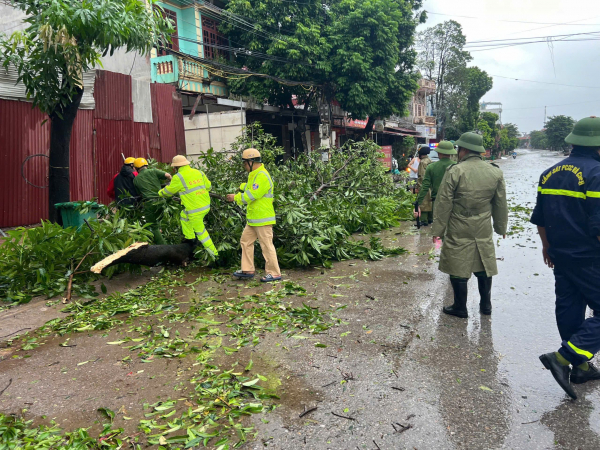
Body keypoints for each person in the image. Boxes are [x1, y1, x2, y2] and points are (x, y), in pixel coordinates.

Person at [530, 116, 600, 400]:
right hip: (590, 258)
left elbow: (541, 218)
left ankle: (581, 367)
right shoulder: (596, 173)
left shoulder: (549, 173)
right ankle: (562, 359)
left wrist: (546, 248)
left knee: (570, 310)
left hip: (561, 256)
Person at [432, 132, 508, 318]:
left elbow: (443, 204)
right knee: (484, 261)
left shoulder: (455, 171)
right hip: (482, 224)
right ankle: (486, 305)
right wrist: (501, 227)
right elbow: (500, 203)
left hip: (459, 223)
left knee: (457, 263)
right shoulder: (495, 171)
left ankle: (460, 306)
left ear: (464, 150)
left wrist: (438, 231)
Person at [226, 148, 282, 283]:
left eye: (245, 163)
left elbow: (253, 194)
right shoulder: (254, 174)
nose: (244, 166)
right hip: (253, 219)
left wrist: (236, 197)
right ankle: (248, 269)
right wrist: (242, 186)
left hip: (262, 218)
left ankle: (274, 273)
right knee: (245, 241)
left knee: (266, 245)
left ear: (251, 161)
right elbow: (251, 187)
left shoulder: (262, 175)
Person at [158, 155, 218, 257]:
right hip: (205, 205)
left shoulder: (179, 177)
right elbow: (208, 186)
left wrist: (160, 192)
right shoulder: (199, 172)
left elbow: (169, 192)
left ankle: (215, 255)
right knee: (184, 215)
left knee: (202, 233)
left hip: (194, 210)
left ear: (176, 167)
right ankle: (190, 238)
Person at [414, 141, 457, 224]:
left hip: (437, 202)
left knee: (438, 225)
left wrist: (418, 203)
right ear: (451, 153)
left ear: (438, 153)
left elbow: (425, 186)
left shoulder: (432, 167)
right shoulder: (457, 166)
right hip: (454, 202)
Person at [133, 157, 172, 245]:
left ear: (135, 168)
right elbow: (168, 175)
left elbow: (139, 193)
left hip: (150, 203)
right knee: (161, 220)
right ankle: (166, 239)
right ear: (147, 165)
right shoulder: (153, 171)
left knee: (153, 226)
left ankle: (164, 247)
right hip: (161, 201)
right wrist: (172, 186)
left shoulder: (136, 179)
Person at [415, 146, 433, 226]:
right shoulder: (430, 161)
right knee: (430, 202)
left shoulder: (422, 162)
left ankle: (424, 220)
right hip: (431, 185)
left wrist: (419, 187)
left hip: (424, 185)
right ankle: (430, 219)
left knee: (423, 202)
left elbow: (422, 176)